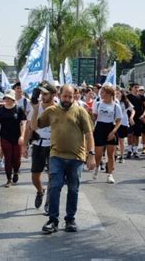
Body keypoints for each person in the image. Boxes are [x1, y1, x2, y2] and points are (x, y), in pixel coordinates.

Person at [31, 84, 95, 234]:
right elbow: (34, 126)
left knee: (73, 189)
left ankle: (70, 220)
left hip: (76, 158)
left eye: (70, 96)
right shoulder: (51, 111)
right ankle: (53, 220)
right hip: (56, 156)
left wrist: (91, 155)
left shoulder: (81, 112)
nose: (67, 99)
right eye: (65, 96)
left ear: (74, 97)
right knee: (54, 187)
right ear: (59, 95)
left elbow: (89, 134)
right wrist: (35, 109)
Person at [27, 82, 56, 211]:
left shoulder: (58, 108)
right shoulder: (37, 107)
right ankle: (40, 191)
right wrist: (34, 109)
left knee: (52, 176)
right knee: (34, 176)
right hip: (38, 143)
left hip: (53, 144)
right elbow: (32, 127)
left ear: (52, 94)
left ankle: (49, 201)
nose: (42, 96)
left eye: (45, 94)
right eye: (41, 94)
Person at [0, 89, 26, 187]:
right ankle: (9, 179)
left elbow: (23, 123)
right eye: (6, 98)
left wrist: (22, 136)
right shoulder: (1, 109)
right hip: (5, 137)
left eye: (9, 98)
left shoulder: (19, 109)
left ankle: (15, 171)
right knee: (8, 158)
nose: (7, 100)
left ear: (13, 99)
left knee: (16, 158)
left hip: (16, 137)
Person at [92, 85, 122, 184]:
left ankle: (110, 174)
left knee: (110, 154)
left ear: (109, 94)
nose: (101, 94)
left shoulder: (115, 106)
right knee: (98, 153)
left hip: (110, 128)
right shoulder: (97, 104)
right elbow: (94, 118)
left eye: (103, 93)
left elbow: (118, 121)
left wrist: (113, 132)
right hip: (99, 128)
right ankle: (97, 167)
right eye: (101, 93)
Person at [126, 83, 145, 159]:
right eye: (135, 87)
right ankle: (129, 150)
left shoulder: (142, 97)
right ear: (131, 88)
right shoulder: (127, 97)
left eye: (138, 87)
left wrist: (143, 115)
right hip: (129, 117)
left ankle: (135, 150)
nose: (137, 89)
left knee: (136, 135)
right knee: (129, 134)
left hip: (138, 118)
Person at [115, 88, 135, 163]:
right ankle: (115, 155)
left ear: (122, 94)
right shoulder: (113, 101)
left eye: (118, 93)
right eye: (115, 93)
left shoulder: (125, 102)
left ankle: (122, 156)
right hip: (114, 123)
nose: (117, 94)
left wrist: (131, 117)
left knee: (121, 140)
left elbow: (132, 110)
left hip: (123, 122)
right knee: (114, 141)